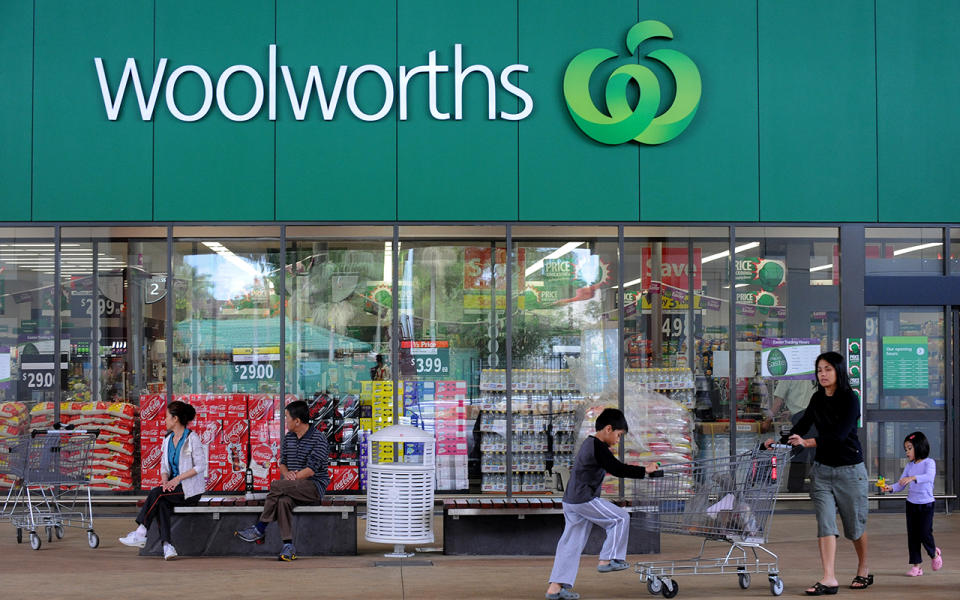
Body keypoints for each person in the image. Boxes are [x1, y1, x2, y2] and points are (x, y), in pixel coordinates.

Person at [764, 351, 870, 595]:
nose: (822, 374)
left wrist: (808, 443)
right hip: (822, 472)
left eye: (828, 369)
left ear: (838, 371)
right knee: (825, 523)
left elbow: (840, 435)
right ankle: (829, 578)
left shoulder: (850, 399)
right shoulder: (817, 398)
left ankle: (863, 568)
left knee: (854, 527)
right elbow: (800, 427)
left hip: (850, 471)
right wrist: (779, 441)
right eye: (820, 370)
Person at [545, 408, 662, 600]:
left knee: (571, 545)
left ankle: (555, 589)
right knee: (620, 518)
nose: (618, 439)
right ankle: (607, 560)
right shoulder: (597, 446)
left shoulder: (589, 444)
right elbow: (616, 468)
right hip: (583, 499)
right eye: (618, 434)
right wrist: (645, 470)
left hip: (571, 500)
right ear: (608, 429)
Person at [235, 400, 329, 561]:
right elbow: (282, 463)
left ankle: (260, 528)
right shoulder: (289, 438)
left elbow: (312, 469)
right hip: (291, 486)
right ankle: (288, 545)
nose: (284, 420)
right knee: (283, 501)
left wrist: (294, 477)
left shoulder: (318, 439)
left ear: (297, 421)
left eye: (286, 417)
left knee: (275, 485)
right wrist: (288, 475)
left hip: (313, 486)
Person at [119, 400, 207, 560]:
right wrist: (165, 481)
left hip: (190, 490)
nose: (164, 420)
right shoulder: (167, 440)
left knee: (156, 494)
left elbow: (201, 466)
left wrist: (176, 480)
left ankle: (141, 531)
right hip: (172, 490)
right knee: (162, 504)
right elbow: (164, 467)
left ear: (175, 419)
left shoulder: (192, 438)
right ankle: (168, 547)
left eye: (167, 417)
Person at [882, 431, 943, 576]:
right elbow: (901, 483)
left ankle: (934, 553)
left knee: (925, 533)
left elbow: (928, 477)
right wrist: (890, 488)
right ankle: (917, 566)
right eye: (906, 449)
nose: (907, 452)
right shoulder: (909, 466)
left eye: (910, 448)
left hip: (926, 504)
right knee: (913, 535)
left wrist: (913, 478)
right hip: (911, 504)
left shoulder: (930, 463)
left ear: (919, 447)